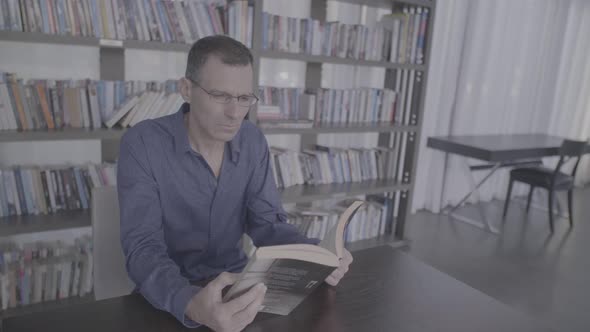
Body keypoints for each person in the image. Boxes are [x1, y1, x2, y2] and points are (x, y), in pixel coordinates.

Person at [117, 35, 353, 331]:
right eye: (220, 96)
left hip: (237, 291)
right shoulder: (142, 144)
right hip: (168, 299)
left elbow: (268, 225)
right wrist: (191, 303)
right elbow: (142, 248)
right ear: (187, 89)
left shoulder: (252, 141)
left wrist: (318, 254)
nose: (234, 113)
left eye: (244, 98)